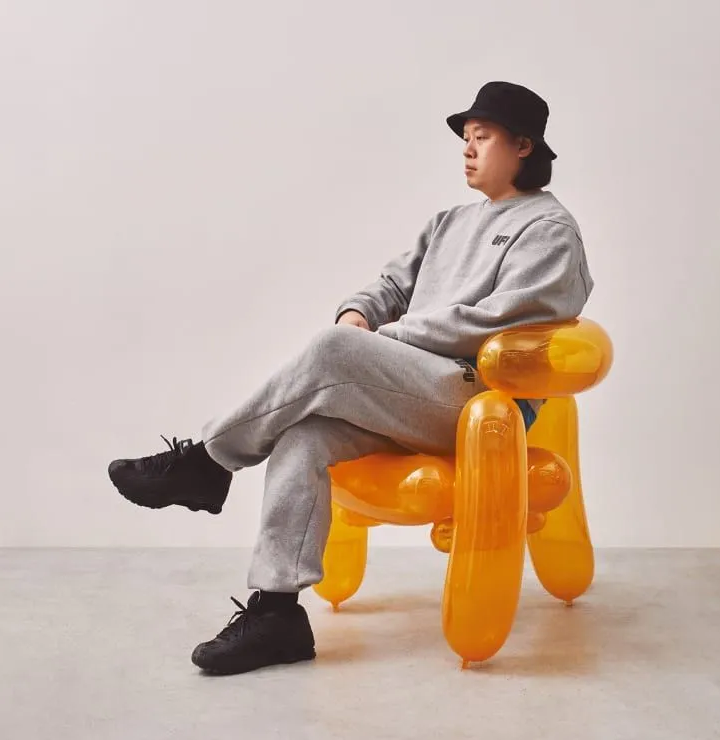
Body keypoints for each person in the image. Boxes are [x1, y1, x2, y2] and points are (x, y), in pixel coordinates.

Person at [108, 81, 594, 675]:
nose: (468, 149)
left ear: (523, 145)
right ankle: (277, 613)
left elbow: (504, 322)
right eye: (465, 138)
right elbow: (390, 286)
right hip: (412, 392)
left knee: (335, 350)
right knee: (304, 435)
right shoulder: (449, 222)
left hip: (478, 402)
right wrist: (360, 315)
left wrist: (380, 341)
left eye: (483, 137)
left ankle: (206, 461)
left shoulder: (549, 229)